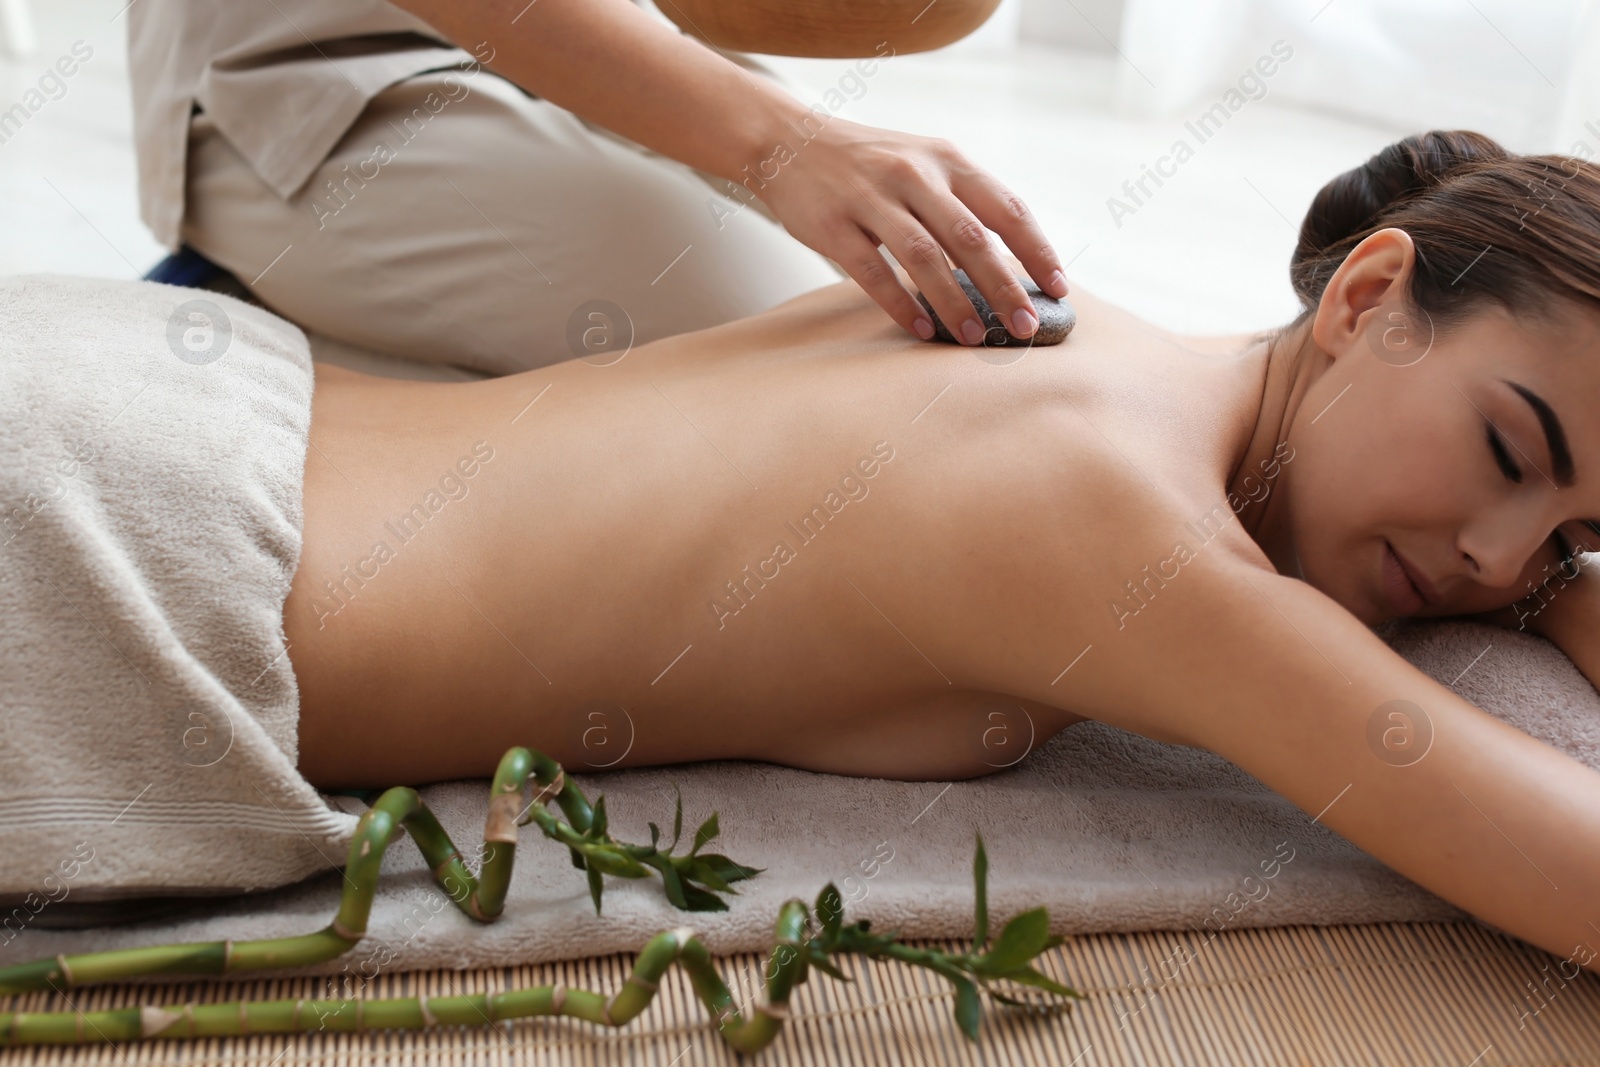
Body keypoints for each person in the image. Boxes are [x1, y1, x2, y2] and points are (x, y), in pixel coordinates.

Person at [280, 130, 1600, 974]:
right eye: (1505, 449)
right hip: (150, 579)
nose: (1498, 559)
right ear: (1369, 299)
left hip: (248, 416)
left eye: (1570, 535)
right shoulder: (1135, 536)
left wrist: (1559, 577)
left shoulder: (1087, 333)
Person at [129, 0, 1068, 377]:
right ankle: (262, 310)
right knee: (814, 357)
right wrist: (782, 141)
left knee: (905, 305)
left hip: (590, 24)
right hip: (303, 63)